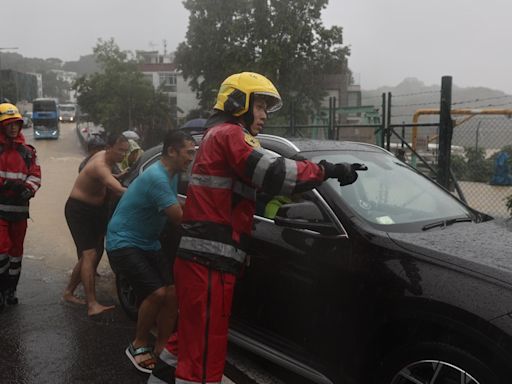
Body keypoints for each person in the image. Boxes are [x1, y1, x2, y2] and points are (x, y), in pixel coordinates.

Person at [148, 72, 367, 384]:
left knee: (188, 339)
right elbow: (276, 172)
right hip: (209, 264)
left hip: (199, 261)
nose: (264, 115)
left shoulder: (214, 136)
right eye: (260, 106)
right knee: (206, 354)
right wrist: (328, 170)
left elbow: (238, 193)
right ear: (238, 103)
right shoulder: (230, 134)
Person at [106, 130, 195, 374]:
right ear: (172, 151)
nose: (192, 158)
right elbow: (178, 217)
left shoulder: (172, 173)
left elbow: (176, 203)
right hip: (123, 241)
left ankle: (162, 346)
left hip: (148, 242)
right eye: (189, 153)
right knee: (156, 293)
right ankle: (138, 345)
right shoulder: (157, 176)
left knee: (172, 293)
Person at [62, 132, 129, 316]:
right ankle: (92, 304)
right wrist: (143, 191)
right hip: (79, 210)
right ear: (109, 147)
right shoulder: (99, 164)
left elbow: (110, 177)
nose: (123, 155)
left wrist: (120, 174)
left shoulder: (106, 159)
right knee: (89, 254)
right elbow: (116, 189)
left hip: (96, 211)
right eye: (120, 151)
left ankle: (69, 292)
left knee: (94, 252)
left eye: (126, 151)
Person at [0, 103, 41, 310]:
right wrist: (5, 185)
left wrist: (28, 189)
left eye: (16, 124)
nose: (13, 128)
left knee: (16, 253)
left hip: (20, 212)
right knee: (1, 250)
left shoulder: (28, 152)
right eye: (8, 124)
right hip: (0, 210)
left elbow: (35, 174)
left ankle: (11, 289)